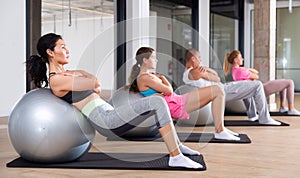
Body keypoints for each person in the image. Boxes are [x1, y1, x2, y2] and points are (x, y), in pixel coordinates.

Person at [26, 33, 203, 169]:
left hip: (108, 113)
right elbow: (95, 83)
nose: (67, 51)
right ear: (50, 52)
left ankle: (178, 147)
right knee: (157, 102)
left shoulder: (65, 75)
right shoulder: (57, 79)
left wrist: (78, 72)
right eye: (62, 47)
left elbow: (96, 86)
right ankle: (175, 156)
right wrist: (80, 73)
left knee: (158, 100)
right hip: (106, 121)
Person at [129, 47, 240, 141]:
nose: (156, 60)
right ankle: (220, 131)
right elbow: (169, 90)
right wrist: (162, 77)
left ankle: (221, 129)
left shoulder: (149, 76)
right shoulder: (144, 78)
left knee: (218, 90)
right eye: (153, 57)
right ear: (145, 60)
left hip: (177, 101)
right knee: (217, 90)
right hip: (175, 106)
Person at [183, 48, 281, 125]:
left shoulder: (189, 72)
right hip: (221, 91)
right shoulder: (194, 71)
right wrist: (207, 72)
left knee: (251, 85)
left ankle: (253, 115)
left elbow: (216, 76)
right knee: (258, 84)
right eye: (199, 58)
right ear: (193, 59)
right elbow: (216, 78)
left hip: (222, 88)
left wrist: (205, 68)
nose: (200, 60)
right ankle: (265, 119)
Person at [224, 50, 300, 116]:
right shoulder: (240, 71)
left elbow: (255, 74)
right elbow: (256, 75)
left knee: (284, 82)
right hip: (258, 89)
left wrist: (245, 69)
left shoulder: (235, 70)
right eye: (240, 57)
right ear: (235, 60)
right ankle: (291, 108)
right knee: (290, 82)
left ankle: (283, 107)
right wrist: (246, 69)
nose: (242, 59)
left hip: (254, 88)